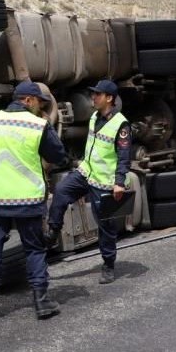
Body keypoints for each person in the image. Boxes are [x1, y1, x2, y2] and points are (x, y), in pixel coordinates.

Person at [0, 80, 68, 321]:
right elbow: (59, 155)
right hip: (27, 200)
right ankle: (41, 303)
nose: (40, 107)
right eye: (39, 103)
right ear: (28, 100)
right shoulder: (38, 124)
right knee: (34, 249)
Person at [45, 79, 131, 284]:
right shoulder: (94, 116)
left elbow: (124, 156)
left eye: (98, 94)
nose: (93, 97)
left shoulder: (121, 125)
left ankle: (108, 264)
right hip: (86, 172)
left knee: (105, 225)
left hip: (104, 181)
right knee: (61, 191)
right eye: (93, 93)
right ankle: (53, 232)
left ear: (109, 98)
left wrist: (119, 182)